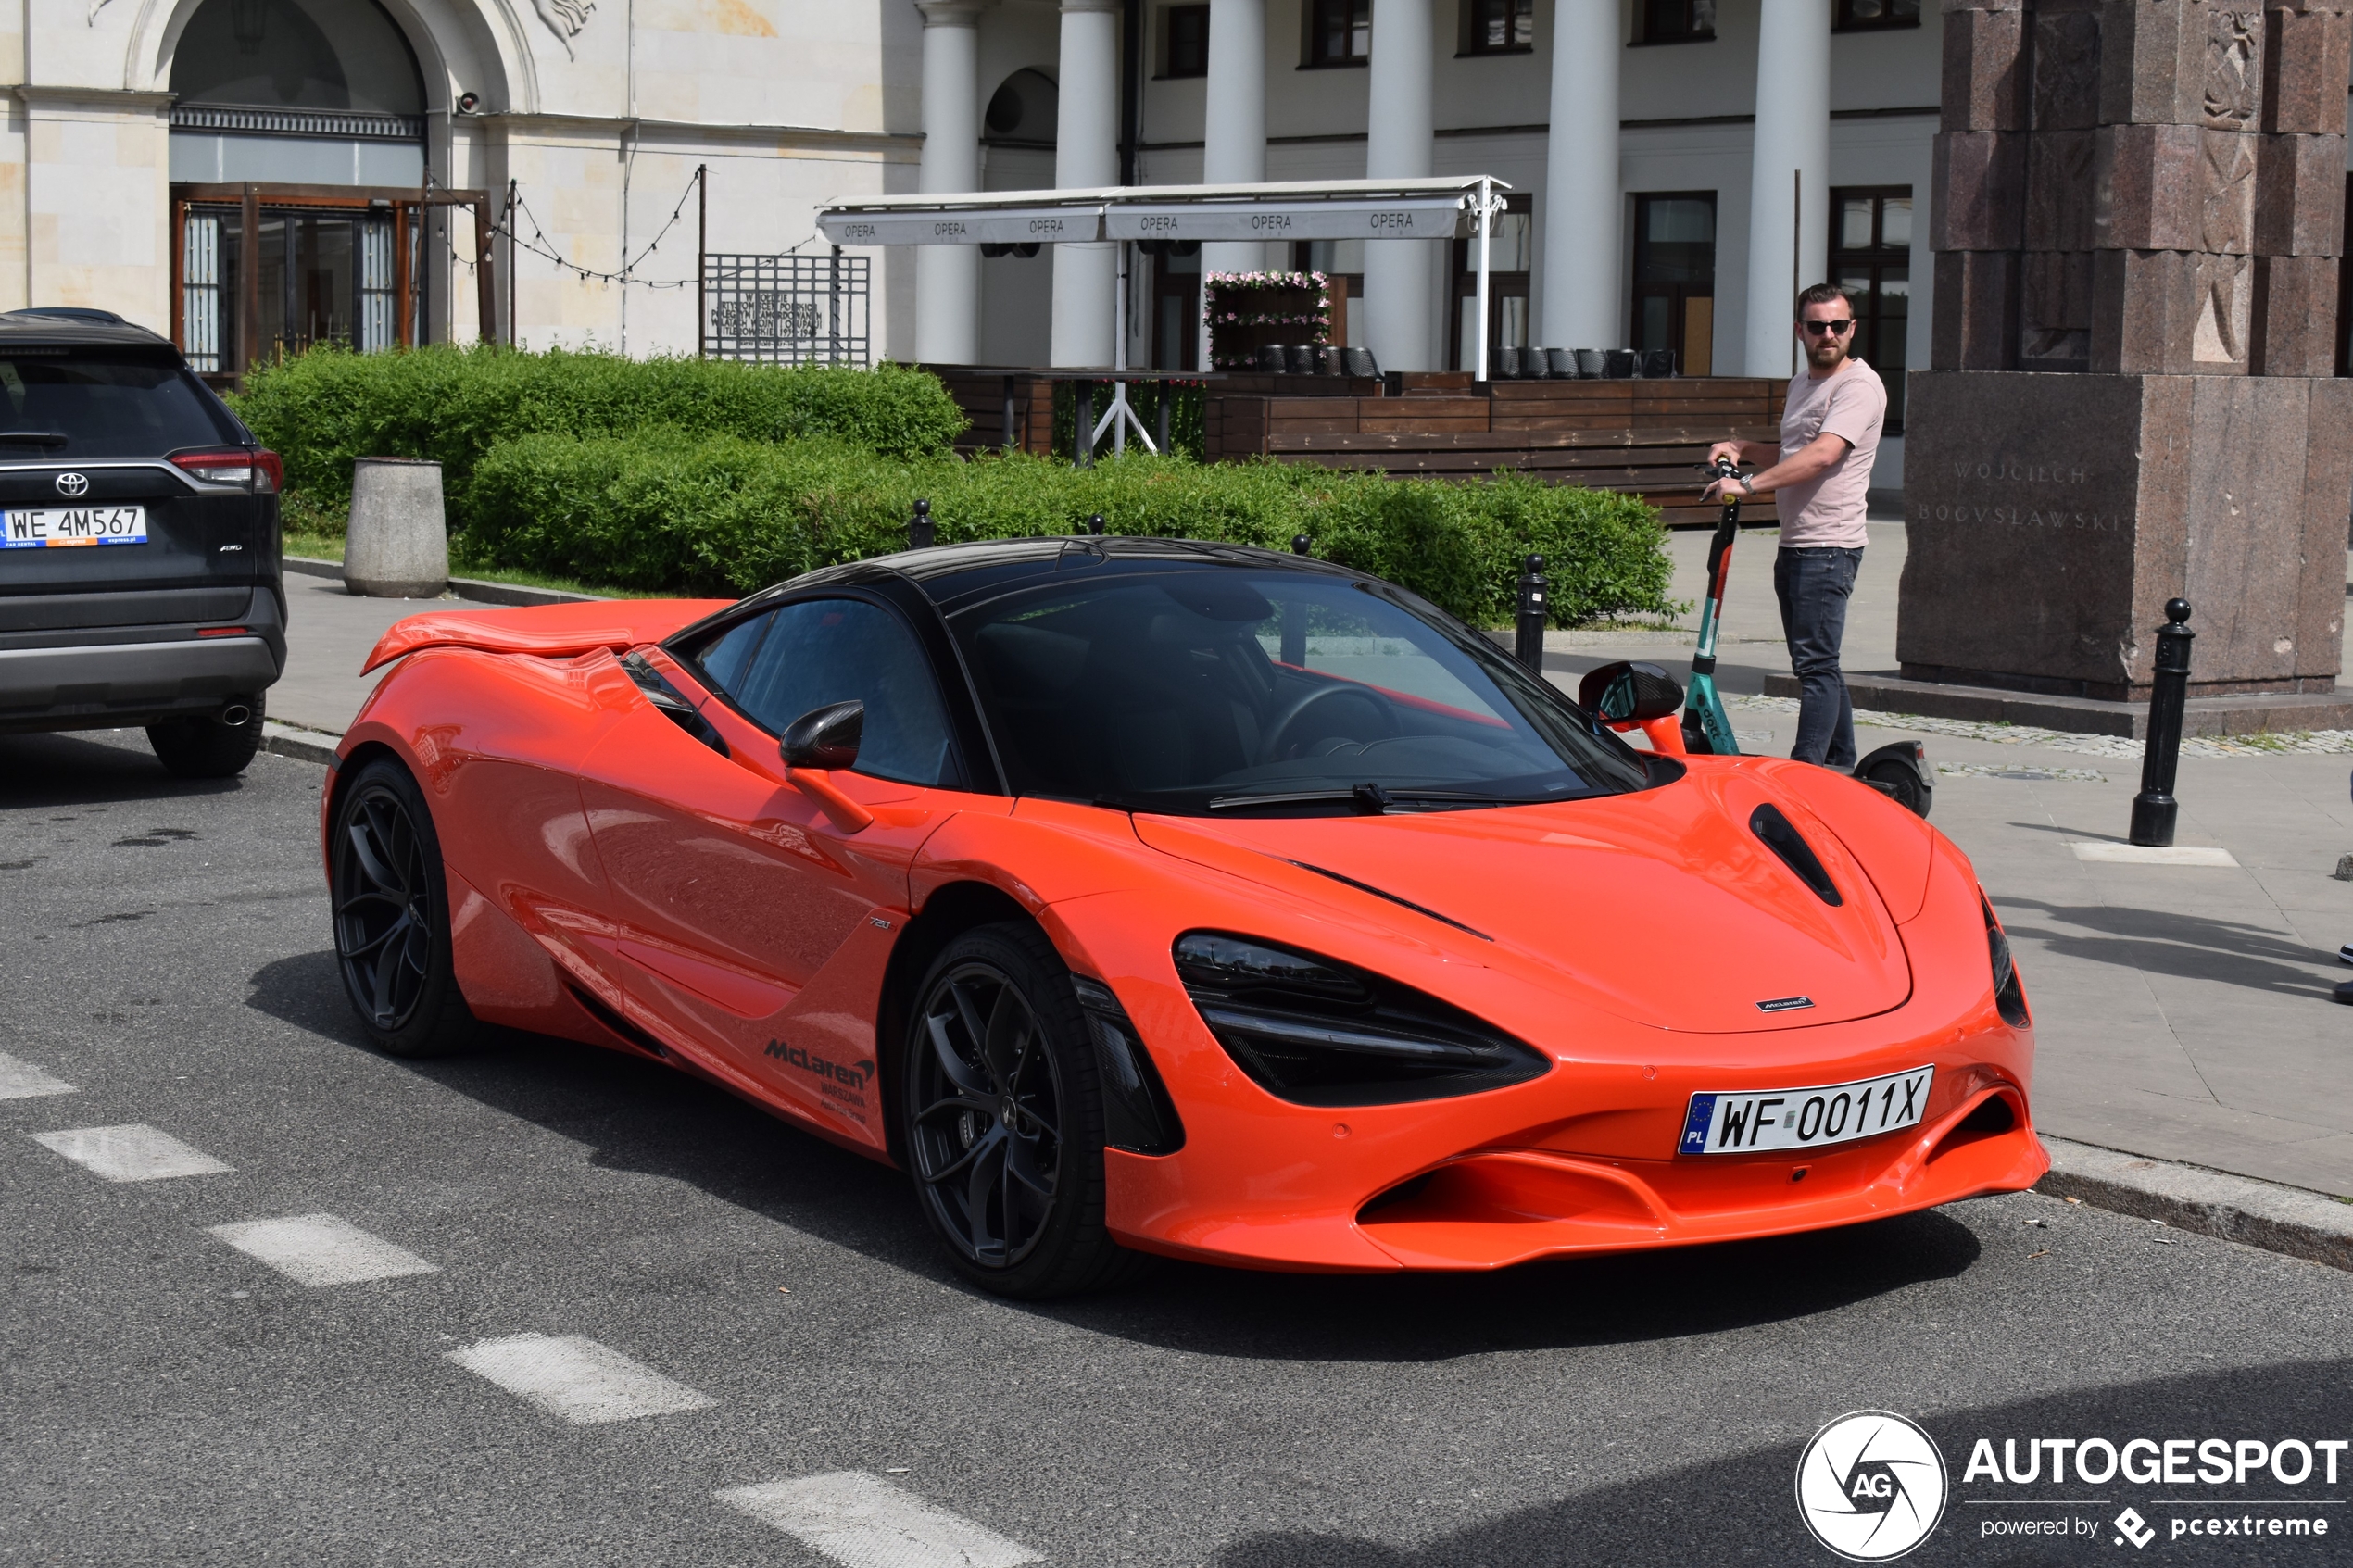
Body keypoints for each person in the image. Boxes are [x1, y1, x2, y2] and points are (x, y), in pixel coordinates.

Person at [1702, 282, 1888, 769]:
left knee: (1815, 666)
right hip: (1799, 541)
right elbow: (1795, 452)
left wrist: (1748, 486)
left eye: (1838, 325)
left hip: (1830, 545)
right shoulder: (1802, 383)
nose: (1828, 334)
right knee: (1819, 664)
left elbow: (1825, 454)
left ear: (1852, 328)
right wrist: (1741, 448)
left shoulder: (1859, 387)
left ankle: (1807, 771)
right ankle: (1842, 764)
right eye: (1817, 326)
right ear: (1799, 330)